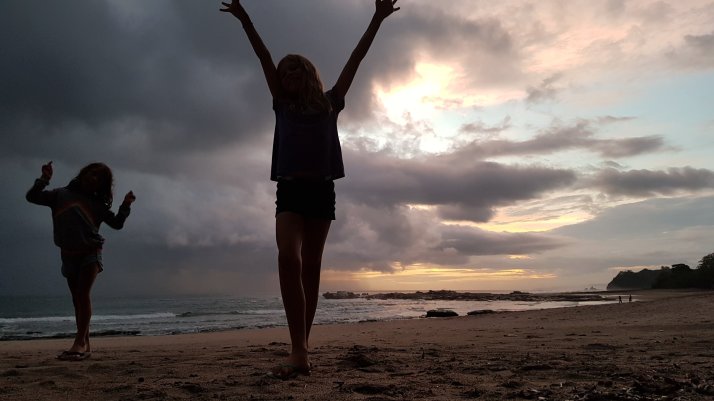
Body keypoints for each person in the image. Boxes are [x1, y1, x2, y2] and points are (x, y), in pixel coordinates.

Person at [220, 0, 400, 379]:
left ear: (307, 74)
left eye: (294, 69)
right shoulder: (281, 105)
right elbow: (263, 56)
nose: (287, 75)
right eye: (283, 71)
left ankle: (301, 348)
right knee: (289, 257)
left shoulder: (331, 103)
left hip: (321, 191)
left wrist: (377, 18)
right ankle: (299, 348)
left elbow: (356, 58)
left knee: (312, 269)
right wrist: (244, 19)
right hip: (289, 191)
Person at [26, 161, 136, 361]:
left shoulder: (97, 205)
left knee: (83, 295)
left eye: (99, 178)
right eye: (92, 173)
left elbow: (117, 223)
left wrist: (125, 205)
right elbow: (32, 197)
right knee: (76, 299)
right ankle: (85, 345)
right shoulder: (60, 195)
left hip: (90, 252)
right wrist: (44, 179)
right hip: (68, 254)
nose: (94, 178)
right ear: (84, 173)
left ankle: (79, 343)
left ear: (102, 185)